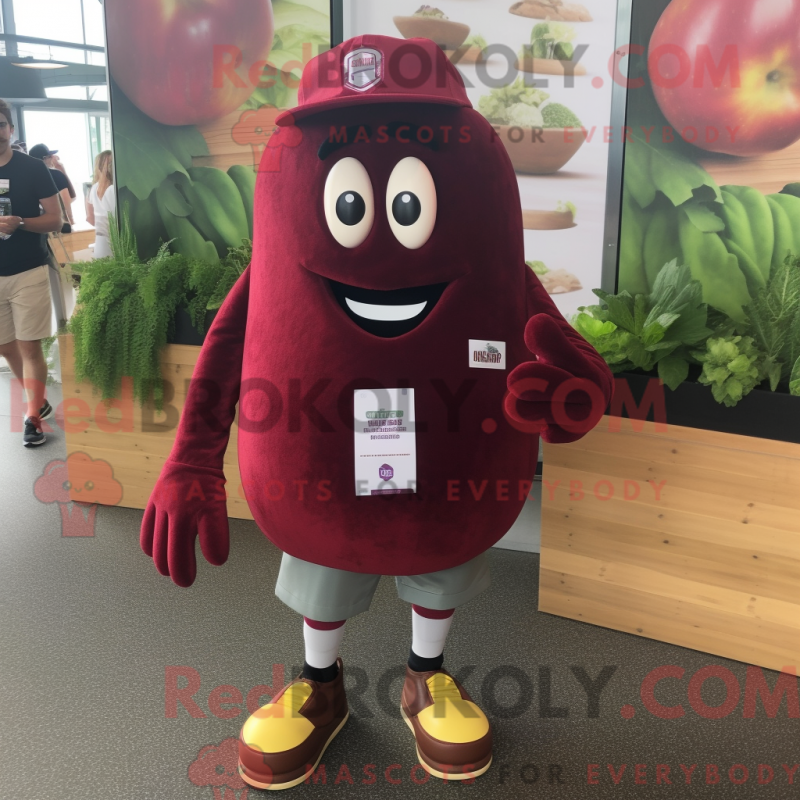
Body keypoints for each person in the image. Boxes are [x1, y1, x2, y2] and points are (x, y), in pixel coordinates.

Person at [0, 100, 62, 446]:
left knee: (28, 346)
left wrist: (21, 222)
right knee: (5, 346)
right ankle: (37, 400)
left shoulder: (33, 168)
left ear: (11, 129)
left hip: (28, 270)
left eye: (0, 125)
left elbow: (56, 220)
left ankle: (33, 418)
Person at [29, 143, 75, 231]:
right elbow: (66, 204)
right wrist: (70, 222)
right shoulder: (56, 175)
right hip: (57, 227)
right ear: (44, 158)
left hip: (36, 227)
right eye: (50, 156)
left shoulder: (28, 177)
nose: (53, 158)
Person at [86, 150, 115, 258]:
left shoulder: (93, 188)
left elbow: (90, 218)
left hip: (100, 243)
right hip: (115, 243)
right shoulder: (113, 189)